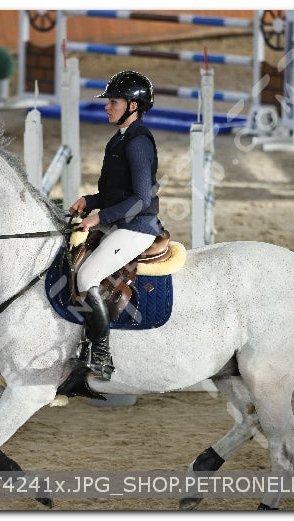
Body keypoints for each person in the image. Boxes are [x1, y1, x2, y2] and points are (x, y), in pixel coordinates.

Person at [68, 70, 165, 381]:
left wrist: (101, 217)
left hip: (137, 226)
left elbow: (139, 197)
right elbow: (115, 192)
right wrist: (90, 201)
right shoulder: (119, 139)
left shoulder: (138, 143)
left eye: (113, 102)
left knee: (88, 274)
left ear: (132, 107)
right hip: (121, 220)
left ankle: (101, 353)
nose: (107, 107)